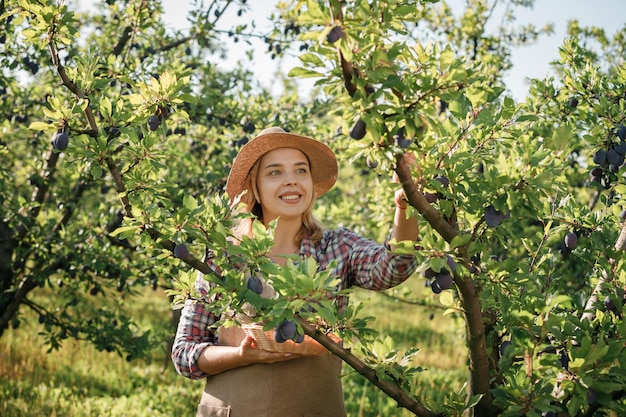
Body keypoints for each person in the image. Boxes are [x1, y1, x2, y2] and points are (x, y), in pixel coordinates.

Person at [172, 126, 420, 417]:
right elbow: (185, 352)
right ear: (256, 188)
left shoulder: (335, 248)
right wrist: (240, 355)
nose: (291, 180)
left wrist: (405, 205)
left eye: (300, 171)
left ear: (311, 185)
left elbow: (394, 268)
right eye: (275, 172)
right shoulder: (226, 256)